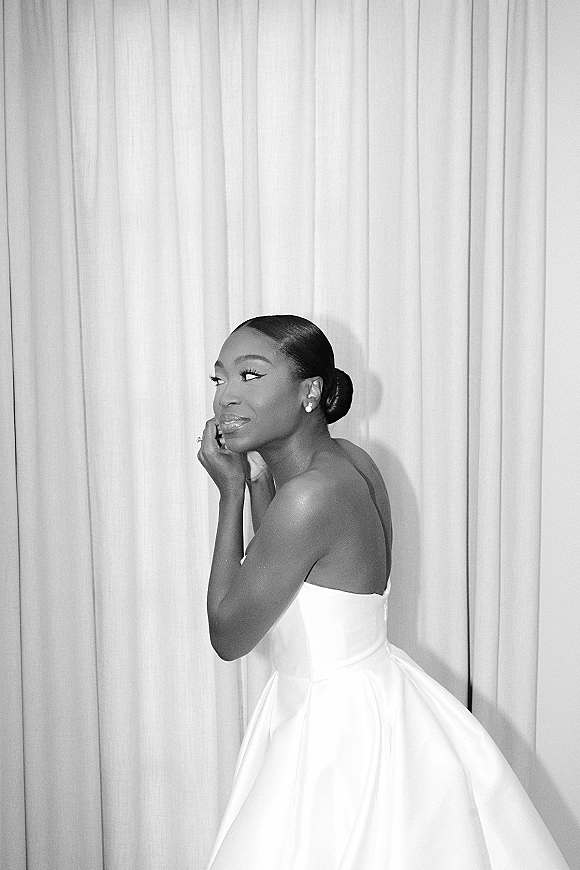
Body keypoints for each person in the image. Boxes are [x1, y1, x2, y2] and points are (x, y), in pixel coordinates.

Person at [198, 314, 569, 870]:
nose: (226, 395)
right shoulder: (350, 462)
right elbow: (292, 574)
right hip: (375, 698)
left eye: (250, 375)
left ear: (309, 392)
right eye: (220, 378)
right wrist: (254, 479)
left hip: (329, 730)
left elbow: (228, 635)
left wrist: (229, 492)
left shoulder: (310, 496)